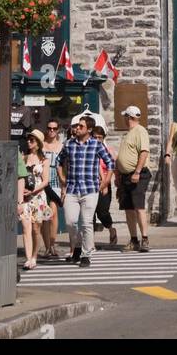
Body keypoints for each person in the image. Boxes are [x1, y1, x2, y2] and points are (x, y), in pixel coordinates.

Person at [57, 114, 114, 268]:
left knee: (87, 222)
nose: (77, 128)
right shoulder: (69, 144)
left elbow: (110, 162)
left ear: (89, 129)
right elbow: (59, 161)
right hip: (72, 189)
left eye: (80, 126)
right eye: (76, 126)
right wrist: (62, 179)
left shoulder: (96, 144)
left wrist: (106, 181)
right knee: (70, 222)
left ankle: (86, 254)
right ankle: (77, 246)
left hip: (90, 189)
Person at [115, 105, 152, 251]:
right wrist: (118, 174)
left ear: (129, 117)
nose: (124, 119)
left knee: (138, 207)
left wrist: (137, 172)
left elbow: (144, 152)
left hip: (137, 174)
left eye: (125, 116)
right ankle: (134, 239)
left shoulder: (140, 131)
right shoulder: (128, 134)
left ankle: (144, 238)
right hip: (125, 176)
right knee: (128, 208)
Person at [19, 130, 52, 270]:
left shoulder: (44, 160)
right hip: (25, 197)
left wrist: (33, 190)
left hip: (38, 197)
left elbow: (46, 181)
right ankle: (28, 258)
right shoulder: (23, 158)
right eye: (28, 140)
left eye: (32, 140)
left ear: (38, 143)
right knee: (26, 228)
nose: (29, 142)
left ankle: (34, 257)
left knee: (36, 229)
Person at [40, 119, 64, 260]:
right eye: (49, 128)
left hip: (56, 180)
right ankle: (47, 246)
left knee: (53, 214)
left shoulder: (62, 146)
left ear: (58, 130)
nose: (52, 131)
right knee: (45, 215)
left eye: (54, 129)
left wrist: (64, 184)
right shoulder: (42, 145)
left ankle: (53, 244)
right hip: (43, 180)